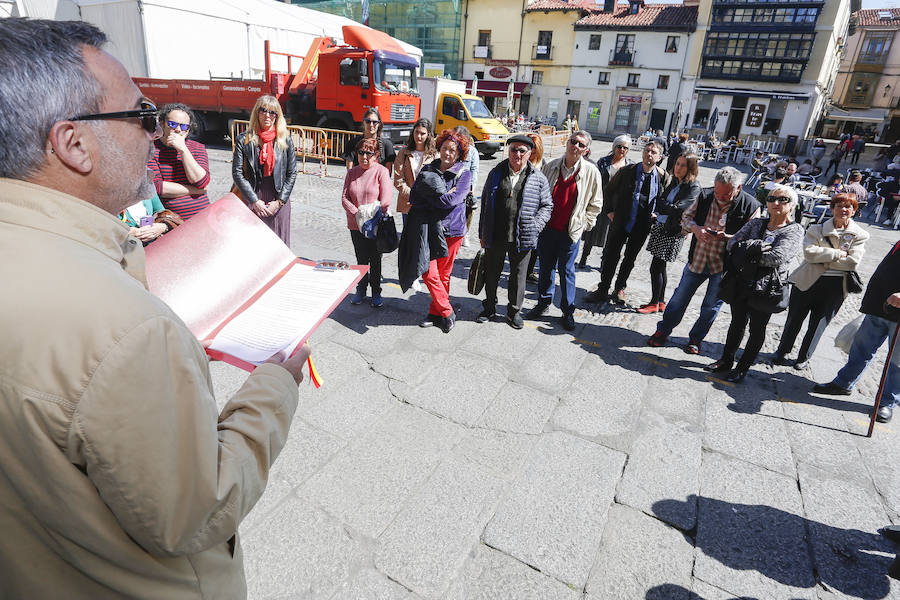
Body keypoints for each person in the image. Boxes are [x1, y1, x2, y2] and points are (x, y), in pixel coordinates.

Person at [0, 18, 308, 598]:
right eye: (142, 117)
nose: (155, 137)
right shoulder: (126, 332)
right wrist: (277, 380)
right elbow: (195, 512)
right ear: (73, 144)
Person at [647, 166, 761, 353]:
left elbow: (752, 239)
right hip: (698, 259)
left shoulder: (751, 206)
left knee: (710, 307)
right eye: (717, 192)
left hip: (724, 267)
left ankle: (695, 339)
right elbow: (685, 218)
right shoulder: (705, 195)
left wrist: (730, 238)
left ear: (738, 189)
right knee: (679, 299)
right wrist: (696, 229)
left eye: (725, 195)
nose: (719, 198)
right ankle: (663, 330)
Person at [704, 185, 804, 382]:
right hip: (742, 282)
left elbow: (777, 257)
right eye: (771, 198)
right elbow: (733, 244)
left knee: (757, 329)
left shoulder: (795, 230)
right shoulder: (757, 223)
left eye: (782, 200)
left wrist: (747, 251)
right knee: (736, 323)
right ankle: (726, 360)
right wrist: (756, 247)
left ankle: (742, 368)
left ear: (792, 205)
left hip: (767, 288)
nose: (775, 203)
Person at [774, 193, 869, 368]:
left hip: (836, 287)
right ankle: (782, 350)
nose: (843, 210)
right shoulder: (815, 229)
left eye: (848, 206)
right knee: (794, 319)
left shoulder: (860, 235)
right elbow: (810, 254)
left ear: (854, 211)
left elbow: (852, 262)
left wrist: (822, 256)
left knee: (819, 324)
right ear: (832, 208)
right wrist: (839, 254)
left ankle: (803, 357)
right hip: (807, 282)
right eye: (839, 206)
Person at [812, 240, 900, 423]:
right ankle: (843, 383)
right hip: (879, 306)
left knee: (898, 363)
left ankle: (887, 402)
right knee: (861, 349)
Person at [527, 130, 603, 331]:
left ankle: (567, 311)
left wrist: (586, 224)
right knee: (545, 268)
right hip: (548, 229)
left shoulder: (591, 172)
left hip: (571, 232)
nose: (575, 146)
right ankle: (543, 303)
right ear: (567, 143)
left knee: (567, 271)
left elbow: (596, 204)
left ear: (586, 150)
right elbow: (538, 195)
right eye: (573, 142)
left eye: (580, 144)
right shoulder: (551, 166)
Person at [477, 134, 552, 328]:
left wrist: (536, 226)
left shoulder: (538, 178)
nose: (517, 154)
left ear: (530, 153)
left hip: (523, 235)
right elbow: (485, 202)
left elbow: (547, 206)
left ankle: (513, 312)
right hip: (496, 233)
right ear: (508, 151)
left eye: (522, 150)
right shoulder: (496, 172)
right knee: (492, 273)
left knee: (518, 277)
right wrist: (482, 234)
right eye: (513, 149)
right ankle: (490, 308)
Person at [584, 139, 670, 307]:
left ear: (659, 157)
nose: (649, 154)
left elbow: (664, 200)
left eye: (653, 152)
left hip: (642, 225)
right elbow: (608, 191)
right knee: (611, 255)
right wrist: (609, 211)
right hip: (621, 221)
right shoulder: (627, 171)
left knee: (630, 259)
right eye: (647, 150)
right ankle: (603, 289)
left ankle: (619, 289)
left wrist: (657, 214)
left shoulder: (662, 176)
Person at [409, 129, 471, 332]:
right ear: (439, 148)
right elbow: (414, 198)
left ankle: (435, 313)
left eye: (452, 151)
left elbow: (453, 200)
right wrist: (441, 198)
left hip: (453, 230)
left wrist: (433, 198)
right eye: (445, 148)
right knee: (428, 272)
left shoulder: (464, 173)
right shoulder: (428, 169)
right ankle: (447, 311)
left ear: (459, 154)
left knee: (444, 274)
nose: (447, 154)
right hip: (430, 229)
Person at [639, 152, 702, 313]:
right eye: (677, 164)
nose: (678, 168)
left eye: (683, 165)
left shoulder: (693, 186)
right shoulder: (674, 181)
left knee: (656, 267)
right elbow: (660, 201)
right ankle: (660, 301)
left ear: (691, 168)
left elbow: (681, 209)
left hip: (673, 230)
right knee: (661, 267)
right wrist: (667, 206)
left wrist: (666, 206)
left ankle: (654, 302)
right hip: (662, 226)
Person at [232, 95, 297, 246]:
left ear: (277, 116)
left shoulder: (285, 139)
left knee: (279, 246)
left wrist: (279, 201)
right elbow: (238, 173)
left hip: (278, 197)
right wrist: (254, 201)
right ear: (257, 112)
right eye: (263, 110)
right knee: (254, 245)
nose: (268, 115)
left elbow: (291, 172)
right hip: (253, 196)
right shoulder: (244, 140)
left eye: (272, 112)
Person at [341, 137, 393, 307]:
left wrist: (371, 216)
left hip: (374, 225)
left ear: (376, 154)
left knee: (375, 259)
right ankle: (361, 289)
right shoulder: (352, 172)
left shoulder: (381, 171)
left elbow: (386, 199)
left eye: (368, 153)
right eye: (361, 153)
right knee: (361, 258)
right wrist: (358, 214)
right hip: (356, 224)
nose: (364, 157)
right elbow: (344, 198)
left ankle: (376, 291)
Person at [147, 102, 210, 220]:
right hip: (172, 219)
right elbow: (157, 187)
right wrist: (196, 190)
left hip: (203, 215)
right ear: (161, 123)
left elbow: (201, 181)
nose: (178, 129)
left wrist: (183, 150)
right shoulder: (150, 149)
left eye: (184, 126)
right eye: (172, 124)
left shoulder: (197, 147)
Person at [578, 134, 633, 269]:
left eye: (625, 148)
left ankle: (604, 261)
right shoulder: (603, 161)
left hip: (616, 205)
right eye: (619, 146)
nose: (622, 150)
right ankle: (584, 258)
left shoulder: (630, 165)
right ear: (614, 147)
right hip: (600, 199)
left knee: (610, 233)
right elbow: (595, 180)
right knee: (592, 230)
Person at [393, 118, 437, 224]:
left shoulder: (434, 155)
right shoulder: (403, 153)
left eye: (423, 133)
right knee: (408, 238)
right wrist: (413, 195)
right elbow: (398, 179)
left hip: (427, 204)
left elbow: (437, 181)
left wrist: (424, 197)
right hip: (407, 203)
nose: (419, 136)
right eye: (416, 132)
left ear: (429, 135)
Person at [343, 107, 396, 173]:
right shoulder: (352, 143)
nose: (371, 125)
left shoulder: (387, 145)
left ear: (379, 124)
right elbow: (349, 171)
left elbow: (388, 173)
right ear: (363, 122)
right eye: (368, 121)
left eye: (374, 122)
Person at [453, 125, 480, 247]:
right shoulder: (452, 148)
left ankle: (465, 234)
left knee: (468, 210)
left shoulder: (472, 151)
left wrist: (472, 187)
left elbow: (474, 169)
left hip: (466, 183)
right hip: (452, 182)